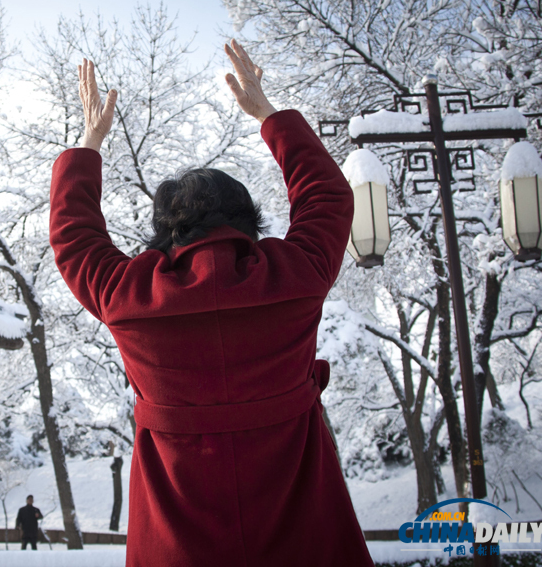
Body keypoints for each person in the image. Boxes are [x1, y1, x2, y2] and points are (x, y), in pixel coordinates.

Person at [48, 40, 374, 566]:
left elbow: (72, 236)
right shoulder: (295, 277)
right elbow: (329, 197)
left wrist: (90, 143)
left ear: (163, 233)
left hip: (178, 547)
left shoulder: (130, 298)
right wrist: (267, 114)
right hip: (303, 540)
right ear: (249, 220)